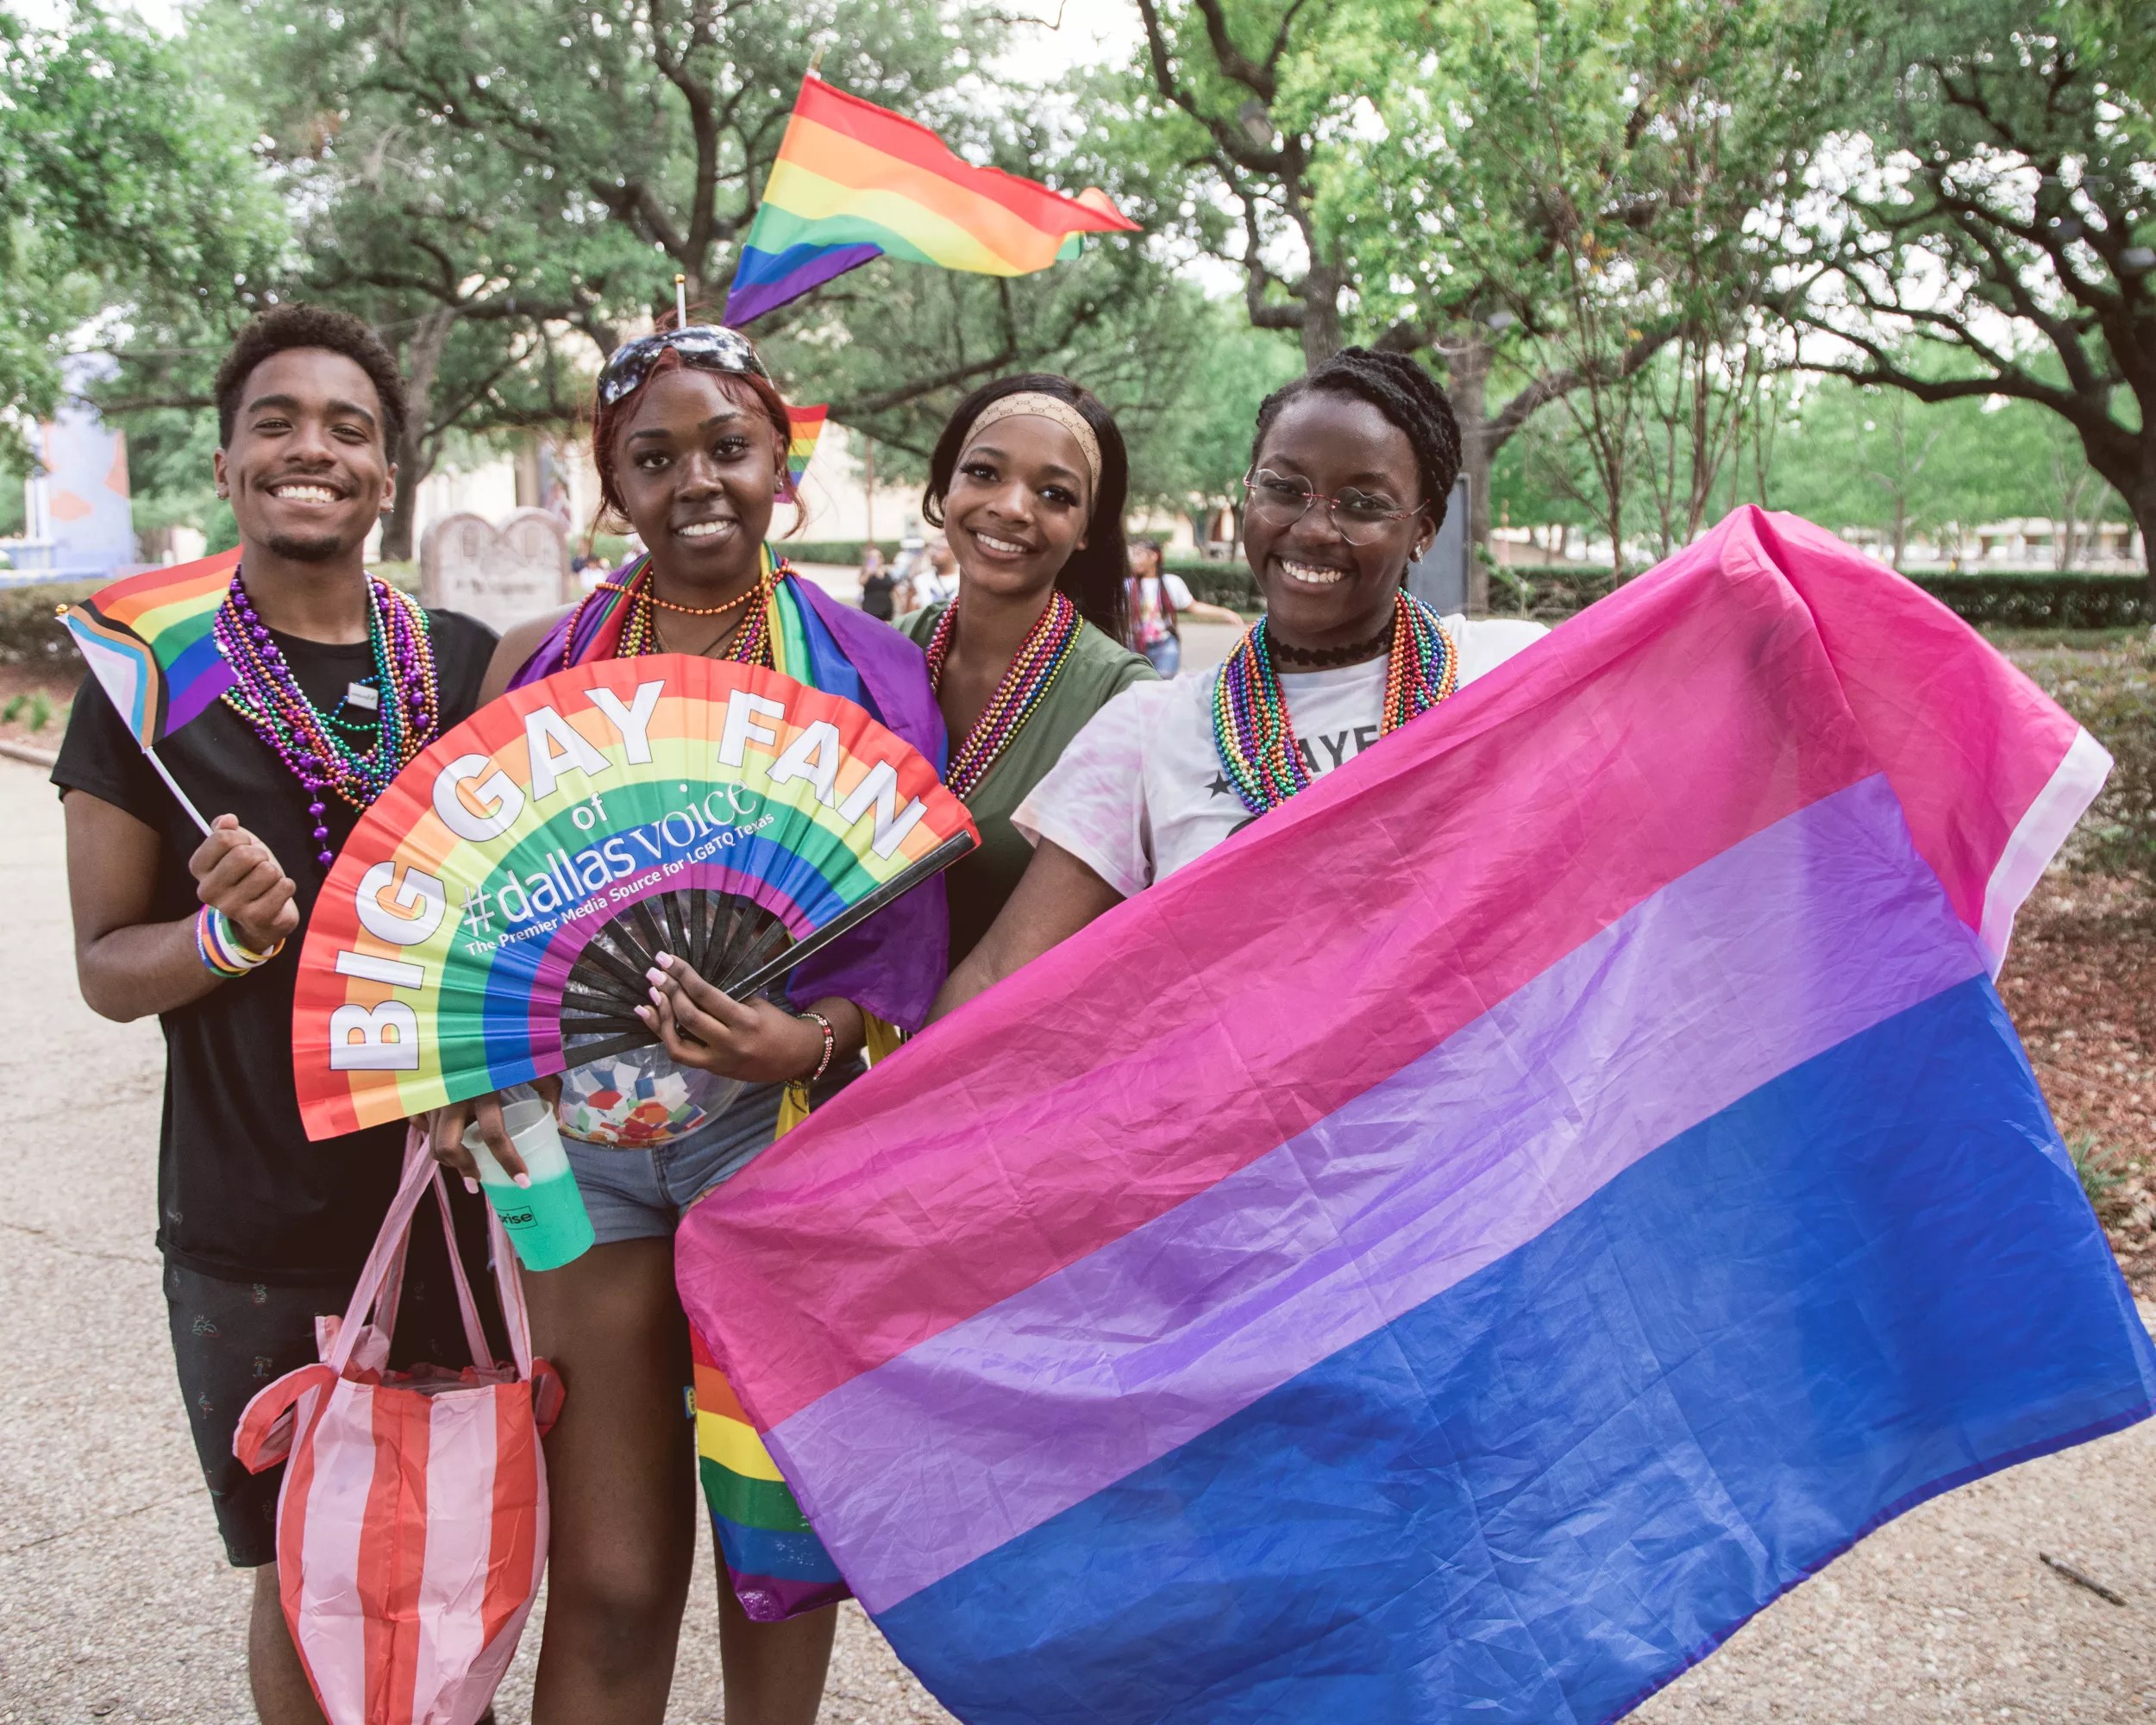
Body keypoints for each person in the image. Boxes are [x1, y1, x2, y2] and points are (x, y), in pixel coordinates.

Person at [429, 320, 946, 1725]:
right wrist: (471, 1083)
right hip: (577, 1153)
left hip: (777, 1148)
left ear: (785, 464)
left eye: (729, 447)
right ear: (613, 488)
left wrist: (817, 1040)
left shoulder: (868, 670)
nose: (695, 480)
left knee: (777, 1558)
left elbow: (907, 932)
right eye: (653, 458)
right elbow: (463, 905)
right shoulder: (545, 662)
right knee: (607, 1571)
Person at [53, 304, 500, 1725]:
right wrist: (223, 936)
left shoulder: (467, 663)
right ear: (233, 460)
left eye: (349, 429)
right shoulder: (148, 686)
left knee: (452, 1544)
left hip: (458, 1200)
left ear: (389, 474)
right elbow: (108, 971)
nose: (312, 447)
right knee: (308, 1570)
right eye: (277, 422)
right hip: (254, 1211)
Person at [937, 347, 1548, 1011]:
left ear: (1423, 530)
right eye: (1284, 488)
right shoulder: (1147, 732)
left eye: (1363, 503)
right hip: (1245, 1110)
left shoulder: (1511, 672)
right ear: (1249, 493)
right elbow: (1000, 975)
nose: (1314, 528)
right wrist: (862, 1104)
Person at [899, 374, 1156, 963]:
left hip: (1010, 1045)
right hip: (850, 1038)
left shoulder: (1123, 702)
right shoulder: (873, 657)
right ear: (945, 488)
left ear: (1088, 528)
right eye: (984, 472)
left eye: (1055, 494)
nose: (1012, 507)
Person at [1124, 536, 1241, 675]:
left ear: (1154, 556)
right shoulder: (1128, 586)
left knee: (1164, 687)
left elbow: (1194, 607)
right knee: (1137, 687)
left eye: (1139, 555)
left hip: (1165, 646)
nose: (1134, 560)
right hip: (1134, 646)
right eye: (1133, 556)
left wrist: (1225, 613)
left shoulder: (1172, 583)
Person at [856, 543, 898, 620]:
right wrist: (869, 573)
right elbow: (861, 582)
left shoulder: (886, 573)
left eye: (879, 557)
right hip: (871, 608)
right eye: (873, 557)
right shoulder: (866, 572)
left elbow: (893, 587)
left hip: (887, 608)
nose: (877, 559)